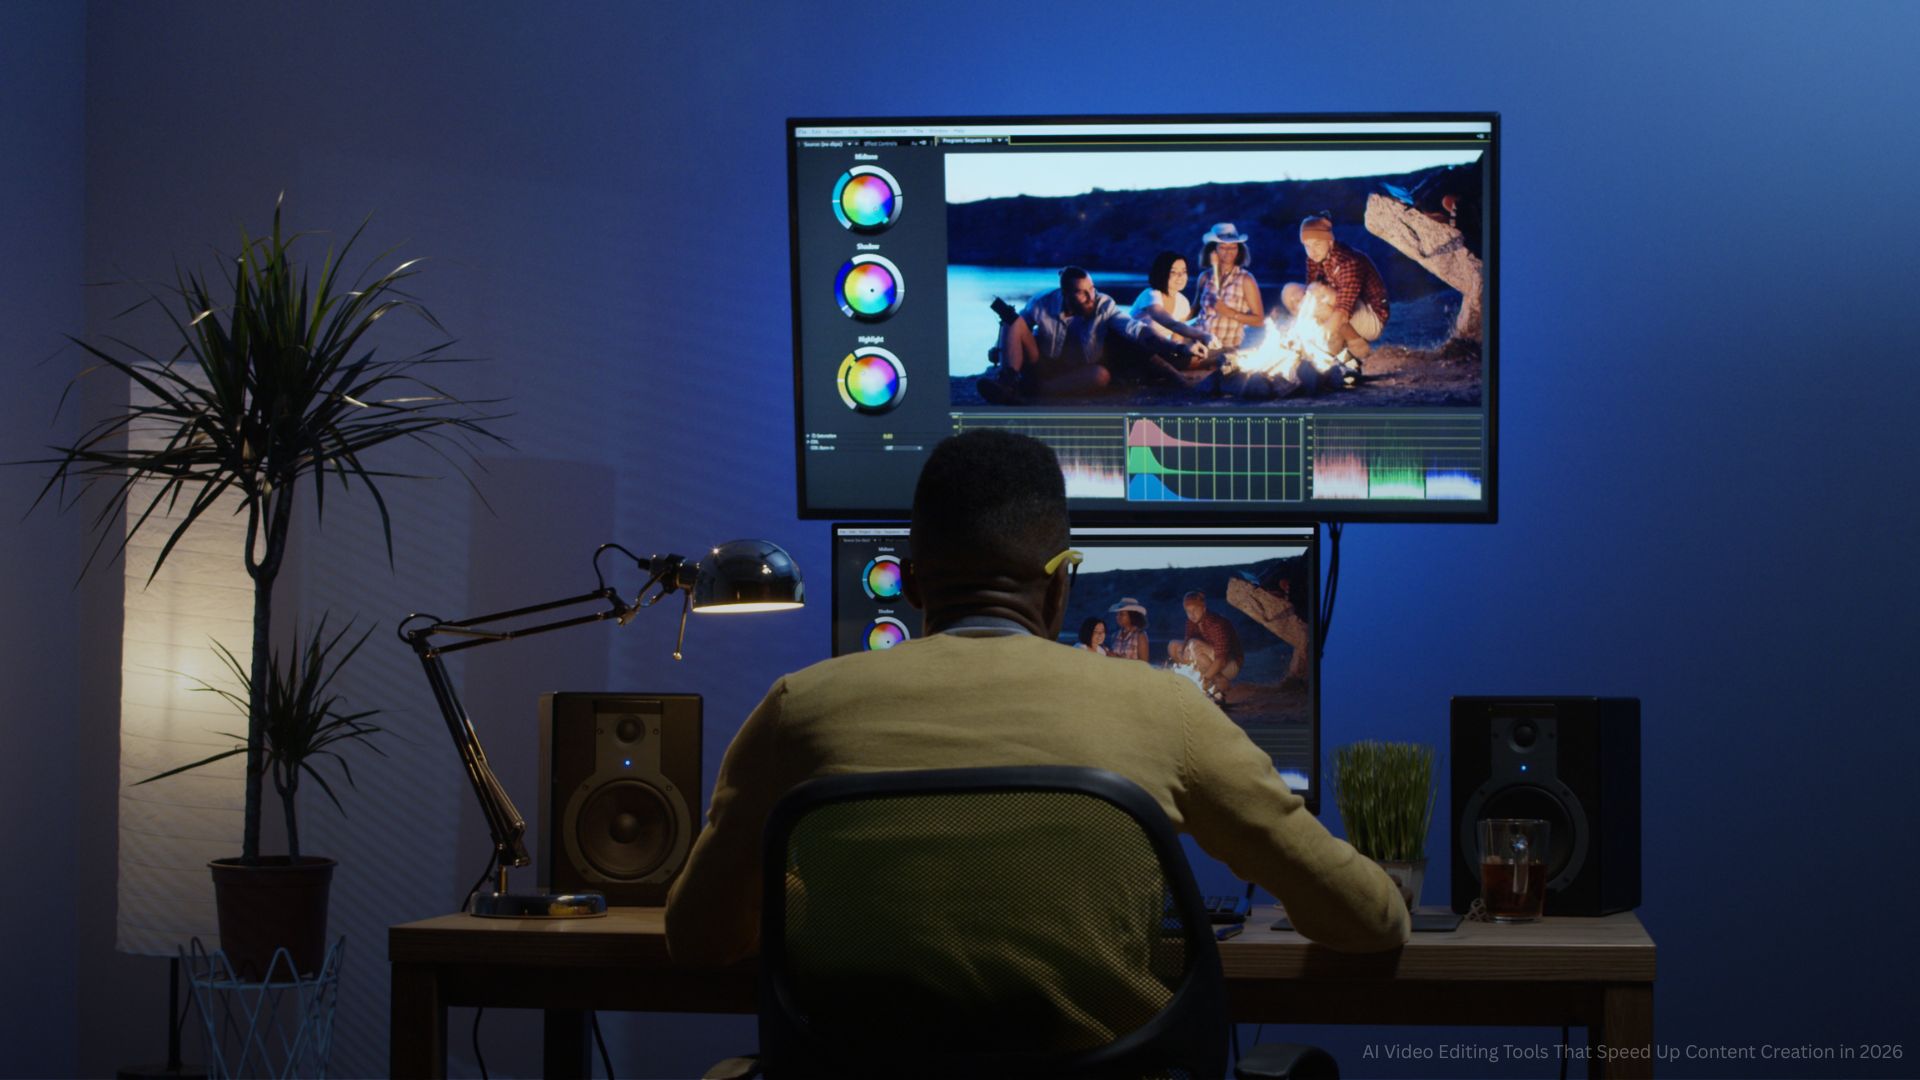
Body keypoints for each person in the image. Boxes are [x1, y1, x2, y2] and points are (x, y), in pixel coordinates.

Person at [665, 430, 1407, 994]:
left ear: (914, 585)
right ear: (1059, 587)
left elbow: (699, 937)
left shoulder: (800, 710)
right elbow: (1366, 921)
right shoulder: (1165, 710)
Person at [979, 267, 1136, 404]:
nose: (1091, 297)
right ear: (1065, 294)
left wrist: (1155, 338)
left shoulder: (1104, 305)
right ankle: (1007, 382)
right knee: (1011, 317)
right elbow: (1016, 327)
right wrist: (998, 347)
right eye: (1082, 292)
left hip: (1077, 371)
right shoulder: (1042, 301)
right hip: (1041, 361)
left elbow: (1130, 327)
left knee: (1101, 376)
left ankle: (1029, 389)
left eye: (1092, 289)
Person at [1281, 215, 1391, 370]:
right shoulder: (1314, 258)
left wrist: (1311, 337)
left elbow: (1342, 311)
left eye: (1317, 244)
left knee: (1318, 294)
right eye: (1307, 246)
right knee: (1289, 291)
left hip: (1372, 318)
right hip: (1341, 314)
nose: (1312, 251)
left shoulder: (1349, 262)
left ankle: (1357, 345)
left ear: (1330, 241)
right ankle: (1335, 346)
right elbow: (1309, 296)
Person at [1128, 251, 1216, 368]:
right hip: (1132, 347)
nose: (1180, 276)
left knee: (1197, 357)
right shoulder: (1150, 295)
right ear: (1162, 273)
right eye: (1173, 272)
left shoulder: (1183, 302)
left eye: (1184, 271)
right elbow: (1172, 324)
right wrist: (1203, 335)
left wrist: (1187, 348)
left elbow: (1176, 340)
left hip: (1157, 351)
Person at [1193, 223, 1264, 353]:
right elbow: (1195, 311)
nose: (1229, 251)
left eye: (1233, 247)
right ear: (1214, 250)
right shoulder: (1204, 277)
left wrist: (1229, 313)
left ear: (1239, 249)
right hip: (1199, 340)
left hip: (1225, 348)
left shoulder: (1246, 279)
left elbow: (1259, 320)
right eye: (1223, 247)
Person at [1167, 591, 1244, 703]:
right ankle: (1204, 676)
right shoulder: (1191, 621)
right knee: (1173, 645)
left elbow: (1221, 660)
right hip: (1208, 660)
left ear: (1203, 608)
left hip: (1230, 664)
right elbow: (1186, 641)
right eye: (1188, 612)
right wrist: (1183, 652)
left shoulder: (1216, 624)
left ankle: (1217, 679)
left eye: (1195, 610)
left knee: (1194, 644)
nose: (1192, 615)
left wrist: (1204, 680)